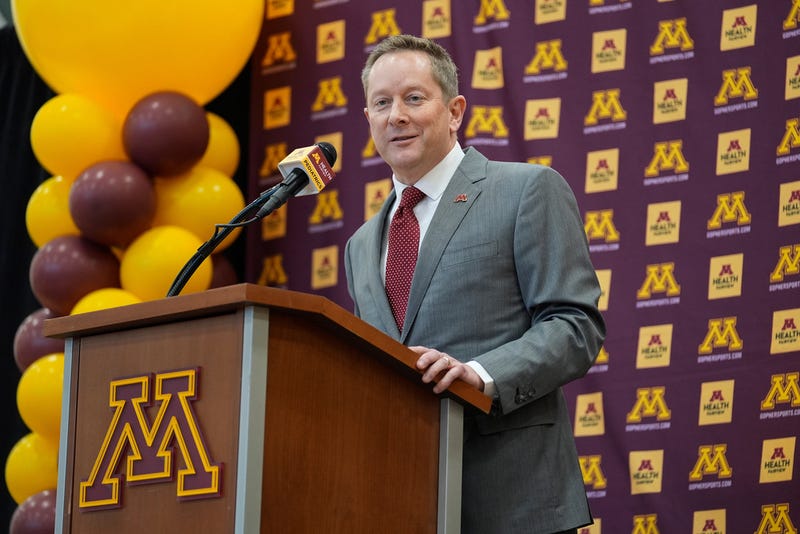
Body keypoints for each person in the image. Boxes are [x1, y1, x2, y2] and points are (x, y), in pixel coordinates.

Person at [344, 34, 606, 534]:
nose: (396, 115)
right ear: (369, 120)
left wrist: (479, 375)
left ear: (455, 110)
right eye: (382, 103)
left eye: (414, 98)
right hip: (401, 504)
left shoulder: (526, 190)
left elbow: (575, 326)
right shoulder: (360, 245)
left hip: (515, 503)